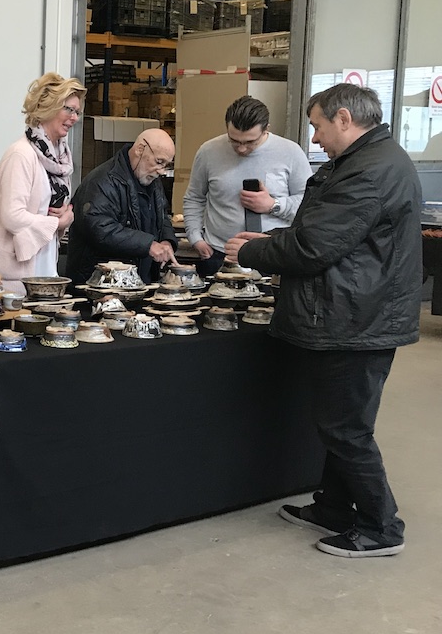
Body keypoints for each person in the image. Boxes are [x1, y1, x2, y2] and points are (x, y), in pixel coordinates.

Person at [226, 83, 421, 559]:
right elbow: (326, 235)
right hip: (355, 311)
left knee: (347, 429)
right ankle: (334, 507)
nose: (314, 138)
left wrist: (251, 252)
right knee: (340, 423)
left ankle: (381, 526)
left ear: (344, 119)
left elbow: (314, 246)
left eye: (317, 126)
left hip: (356, 319)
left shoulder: (369, 172)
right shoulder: (365, 161)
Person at [0, 73, 85, 296]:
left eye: (77, 112)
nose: (74, 118)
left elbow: (49, 209)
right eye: (69, 109)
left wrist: (66, 215)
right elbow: (12, 216)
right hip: (13, 275)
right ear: (48, 107)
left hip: (44, 265)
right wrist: (56, 223)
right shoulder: (21, 155)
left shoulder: (59, 158)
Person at [183, 95, 312, 277]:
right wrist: (195, 237)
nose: (242, 149)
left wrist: (273, 205)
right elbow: (194, 198)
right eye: (234, 141)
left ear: (266, 130)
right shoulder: (208, 151)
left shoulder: (291, 152)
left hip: (273, 253)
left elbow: (309, 205)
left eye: (250, 142)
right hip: (219, 252)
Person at [65, 128, 178, 285]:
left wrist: (166, 241)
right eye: (159, 162)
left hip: (138, 281)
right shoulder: (101, 180)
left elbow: (162, 216)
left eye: (166, 165)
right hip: (100, 283)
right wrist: (148, 245)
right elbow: (100, 228)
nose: (162, 171)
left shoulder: (152, 180)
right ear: (140, 149)